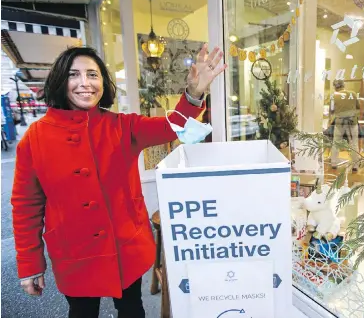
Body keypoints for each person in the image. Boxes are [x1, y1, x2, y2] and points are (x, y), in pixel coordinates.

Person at [11, 45, 226, 318]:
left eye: (93, 74)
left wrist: (194, 93)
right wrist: (30, 262)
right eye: (74, 75)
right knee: (81, 313)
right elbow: (26, 205)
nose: (85, 83)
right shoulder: (35, 137)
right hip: (73, 252)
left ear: (103, 82)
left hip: (125, 247)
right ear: (60, 81)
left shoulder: (122, 125)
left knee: (132, 310)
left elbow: (171, 126)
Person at [330, 80, 360, 172]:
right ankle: (355, 166)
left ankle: (334, 163)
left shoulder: (333, 96)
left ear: (335, 87)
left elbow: (331, 110)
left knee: (336, 142)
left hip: (339, 122)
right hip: (352, 122)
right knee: (354, 143)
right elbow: (358, 107)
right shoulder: (353, 94)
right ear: (344, 85)